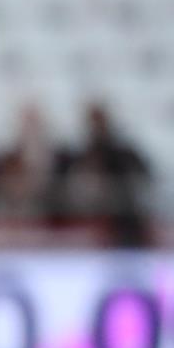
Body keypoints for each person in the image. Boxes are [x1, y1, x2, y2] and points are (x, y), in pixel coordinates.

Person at [56, 100, 153, 248]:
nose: (96, 127)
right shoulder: (76, 155)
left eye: (99, 120)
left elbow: (143, 177)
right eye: (93, 121)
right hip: (85, 218)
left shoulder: (124, 154)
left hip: (120, 221)